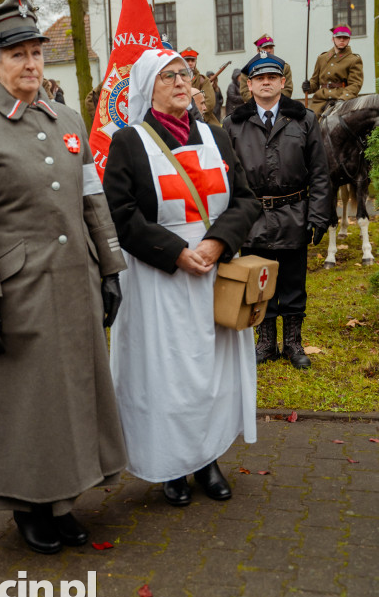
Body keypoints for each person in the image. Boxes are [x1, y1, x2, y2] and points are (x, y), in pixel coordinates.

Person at [0, 0, 127, 556]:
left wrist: (110, 267)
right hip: (17, 291)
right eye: (16, 54)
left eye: (36, 53)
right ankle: (29, 504)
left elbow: (91, 196)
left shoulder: (68, 119)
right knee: (28, 403)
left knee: (71, 397)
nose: (30, 64)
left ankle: (66, 498)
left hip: (73, 281)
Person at [103, 48, 261, 507]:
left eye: (184, 74)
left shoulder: (216, 135)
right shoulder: (129, 141)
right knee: (167, 372)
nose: (180, 82)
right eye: (168, 75)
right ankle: (170, 464)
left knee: (212, 370)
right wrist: (175, 252)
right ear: (147, 86)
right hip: (159, 277)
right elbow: (120, 213)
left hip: (215, 271)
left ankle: (206, 459)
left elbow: (246, 200)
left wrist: (216, 243)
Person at [224, 52, 331, 369]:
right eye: (259, 78)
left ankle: (294, 343)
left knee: (294, 283)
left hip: (294, 212)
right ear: (250, 84)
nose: (266, 82)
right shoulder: (234, 124)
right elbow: (226, 175)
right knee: (259, 282)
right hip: (252, 216)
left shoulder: (304, 119)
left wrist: (319, 215)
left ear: (283, 82)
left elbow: (320, 172)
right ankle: (266, 342)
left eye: (272, 77)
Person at [302, 26, 363, 117]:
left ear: (349, 39)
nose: (342, 40)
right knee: (309, 122)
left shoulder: (354, 60)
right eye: (338, 37)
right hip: (320, 100)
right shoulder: (322, 58)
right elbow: (315, 82)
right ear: (333, 39)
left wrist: (343, 98)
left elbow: (355, 84)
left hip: (342, 99)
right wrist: (308, 86)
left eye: (345, 38)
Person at [240, 34, 293, 102]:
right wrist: (261, 102)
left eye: (271, 47)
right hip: (255, 108)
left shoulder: (284, 67)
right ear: (258, 50)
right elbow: (245, 92)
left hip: (280, 106)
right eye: (265, 48)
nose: (269, 50)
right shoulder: (249, 69)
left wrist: (272, 101)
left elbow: (287, 90)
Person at [180, 47, 217, 123]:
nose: (190, 63)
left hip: (203, 120)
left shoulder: (203, 80)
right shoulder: (177, 80)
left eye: (192, 60)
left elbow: (209, 102)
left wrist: (195, 116)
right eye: (187, 60)